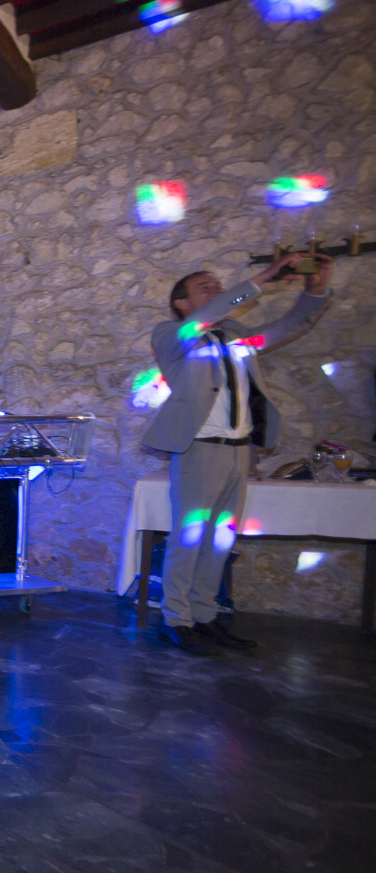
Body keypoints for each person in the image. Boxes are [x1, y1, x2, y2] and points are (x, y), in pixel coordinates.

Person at [143, 252, 333, 655]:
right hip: (200, 450)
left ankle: (205, 616)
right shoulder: (172, 335)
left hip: (240, 451)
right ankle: (176, 620)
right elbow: (210, 314)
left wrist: (315, 291)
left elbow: (292, 325)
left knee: (219, 540)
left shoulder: (236, 336)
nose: (216, 289)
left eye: (217, 284)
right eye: (204, 287)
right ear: (182, 303)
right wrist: (265, 276)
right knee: (189, 538)